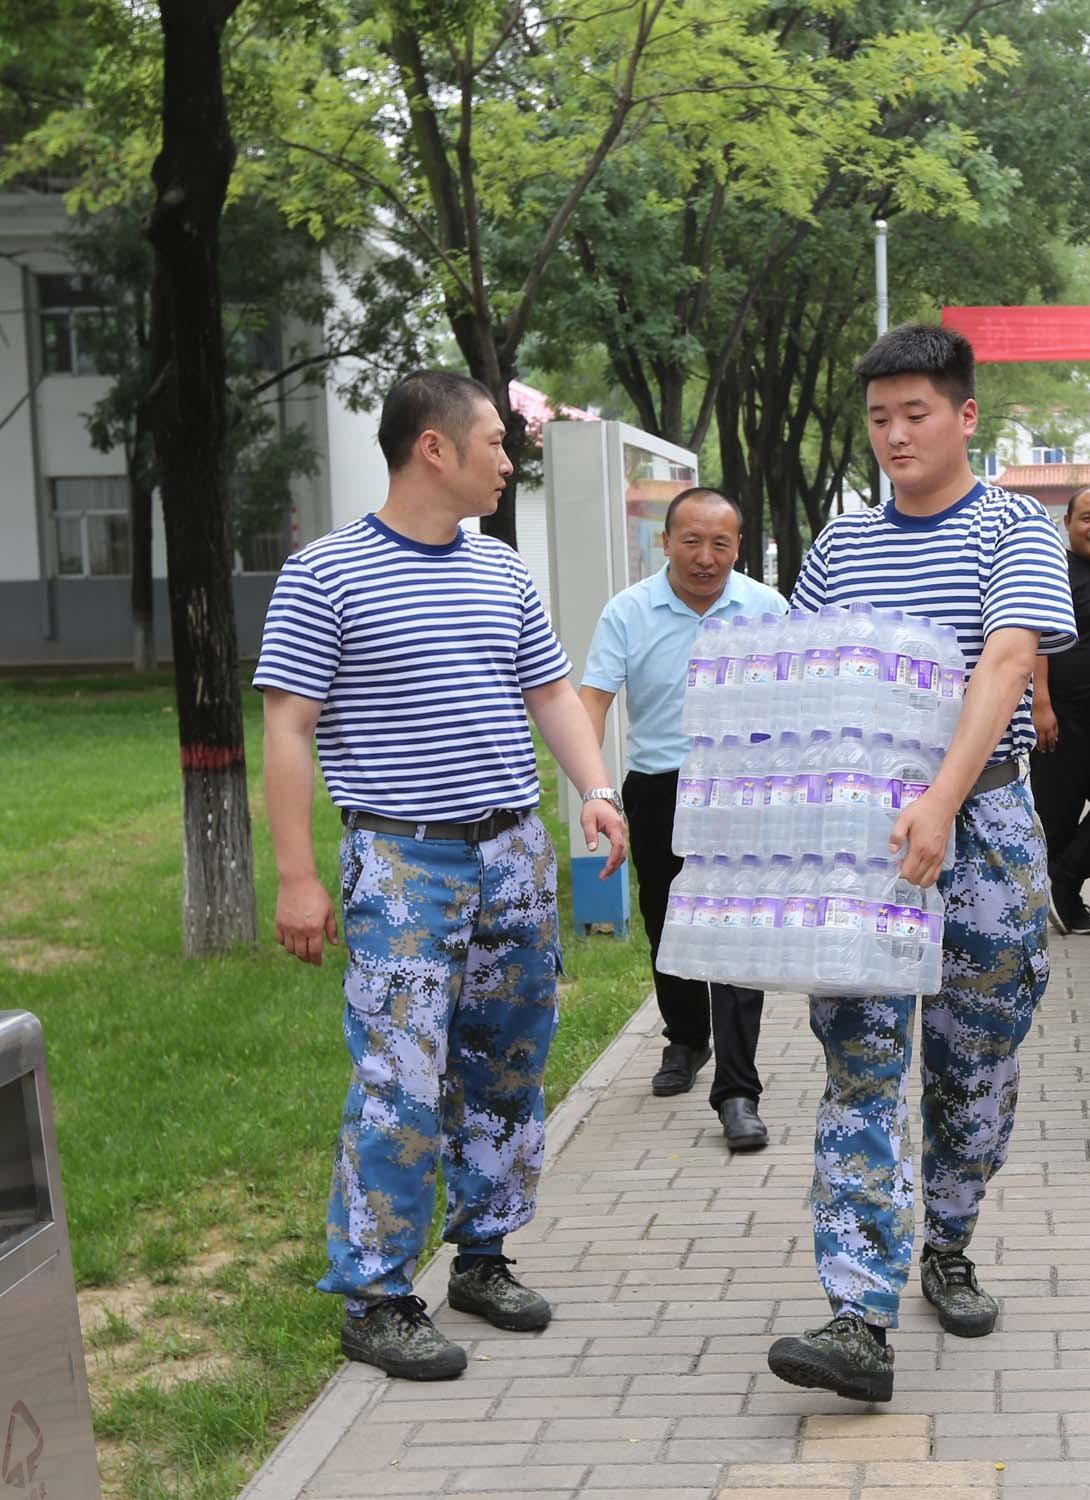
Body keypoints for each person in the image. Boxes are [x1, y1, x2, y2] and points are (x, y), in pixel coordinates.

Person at [255, 371, 630, 1381]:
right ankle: (375, 1293)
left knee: (507, 1064)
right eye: (496, 443)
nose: (510, 460)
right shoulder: (326, 575)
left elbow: (547, 690)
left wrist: (596, 789)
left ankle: (483, 1255)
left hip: (512, 852)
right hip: (402, 857)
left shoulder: (500, 573)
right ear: (434, 448)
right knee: (401, 1080)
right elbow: (287, 727)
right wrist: (298, 877)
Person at [763, 324, 1075, 1405]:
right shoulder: (841, 548)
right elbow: (804, 683)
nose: (896, 435)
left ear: (964, 416)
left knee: (974, 1063)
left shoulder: (1014, 531)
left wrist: (941, 798)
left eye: (917, 414)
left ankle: (947, 1239)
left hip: (981, 828)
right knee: (861, 1064)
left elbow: (1006, 659)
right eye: (880, 418)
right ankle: (858, 1313)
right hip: (863, 843)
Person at [579, 488, 785, 1146]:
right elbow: (592, 701)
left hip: (740, 786)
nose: (705, 557)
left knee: (735, 937)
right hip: (659, 783)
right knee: (666, 919)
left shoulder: (765, 607)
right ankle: (685, 1039)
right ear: (664, 543)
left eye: (720, 544)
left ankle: (738, 1087)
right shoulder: (629, 612)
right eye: (691, 542)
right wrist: (597, 791)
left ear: (738, 548)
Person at [1029, 486, 1090, 936]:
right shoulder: (1056, 574)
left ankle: (1066, 877)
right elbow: (1036, 644)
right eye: (1087, 518)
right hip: (1064, 718)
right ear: (1067, 523)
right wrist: (1042, 704)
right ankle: (1060, 901)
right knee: (1058, 816)